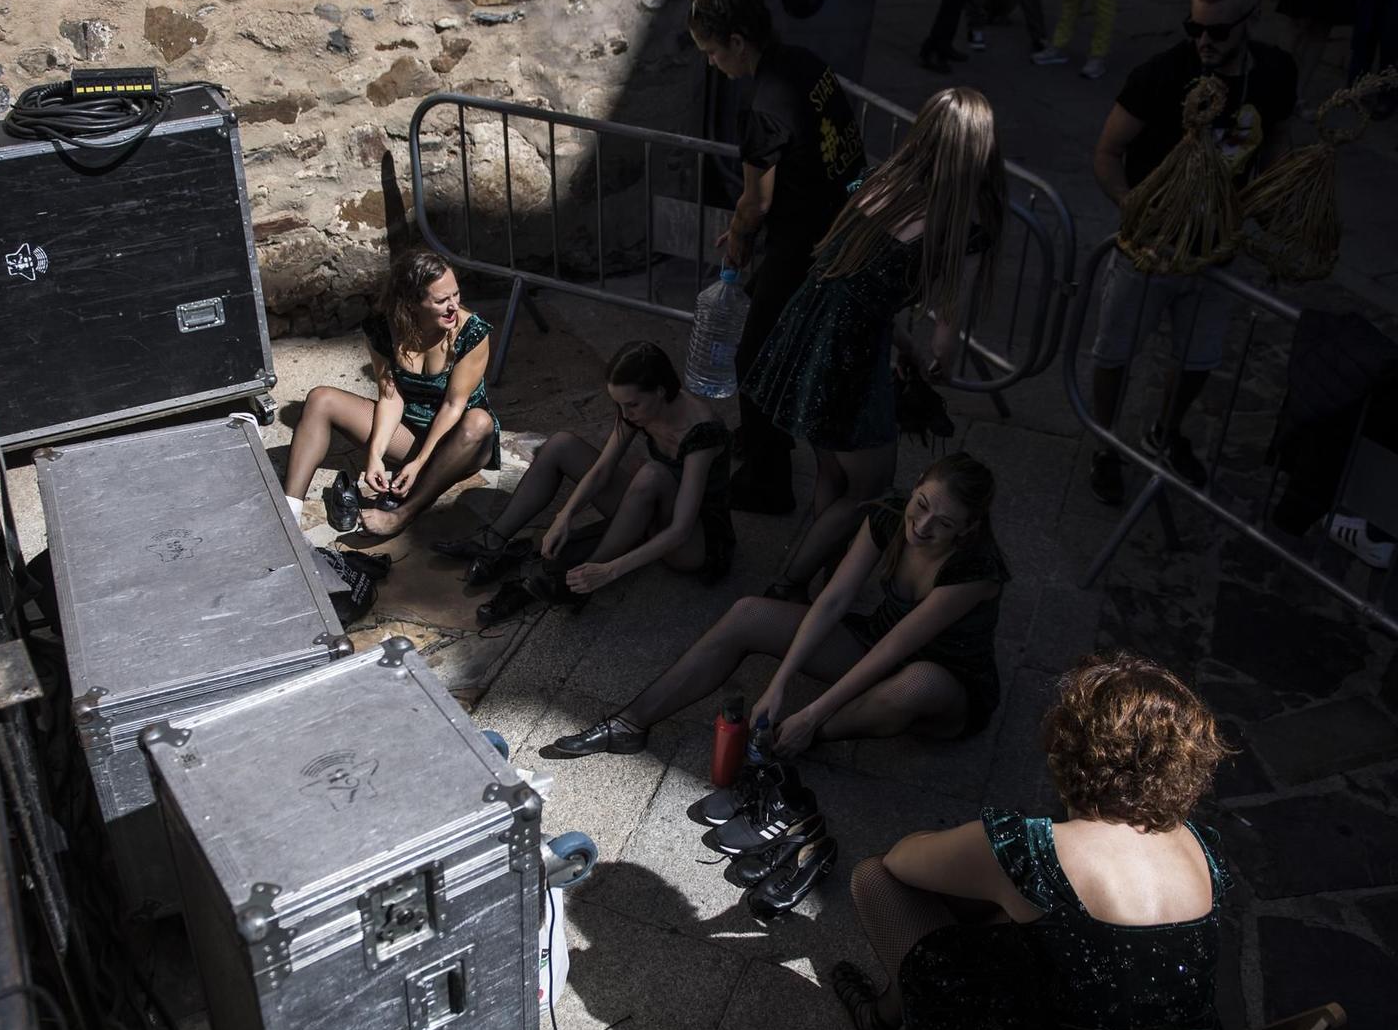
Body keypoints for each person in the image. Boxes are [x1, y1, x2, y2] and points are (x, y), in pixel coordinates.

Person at [829, 652, 1229, 1030]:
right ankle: (884, 1012)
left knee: (874, 879)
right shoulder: (1202, 846)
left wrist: (995, 853)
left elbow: (903, 863)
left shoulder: (1038, 851)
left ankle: (885, 1022)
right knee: (1032, 920)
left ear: (1069, 747)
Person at [550, 453, 1008, 760]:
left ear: (966, 530)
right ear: (916, 488)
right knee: (750, 612)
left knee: (913, 684)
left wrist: (810, 713)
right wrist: (780, 681)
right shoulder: (888, 516)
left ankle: (793, 741)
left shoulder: (975, 571)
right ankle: (632, 722)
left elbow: (895, 648)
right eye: (921, 504)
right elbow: (832, 602)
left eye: (942, 522)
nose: (923, 526)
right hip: (874, 643)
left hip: (945, 687)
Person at [743, 86, 1002, 600]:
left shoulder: (876, 186)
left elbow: (858, 292)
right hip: (849, 362)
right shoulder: (956, 225)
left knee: (832, 473)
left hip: (812, 336)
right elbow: (945, 327)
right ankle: (789, 585)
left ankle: (824, 577)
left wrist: (902, 344)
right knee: (871, 489)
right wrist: (931, 358)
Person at [1086, 0, 1298, 504]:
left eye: (1218, 31)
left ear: (1252, 20)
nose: (1203, 40)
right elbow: (1108, 154)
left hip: (1215, 254)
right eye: (1194, 27)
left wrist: (1266, 203)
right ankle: (1104, 445)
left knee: (1198, 360)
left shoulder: (1274, 72)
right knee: (1114, 352)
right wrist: (1130, 204)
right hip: (1149, 251)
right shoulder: (1160, 74)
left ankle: (1164, 430)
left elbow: (1276, 141)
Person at [687, 0, 865, 517]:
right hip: (839, 223)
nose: (712, 63)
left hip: (808, 242)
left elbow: (756, 201)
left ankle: (769, 480)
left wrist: (741, 233)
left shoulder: (762, 105)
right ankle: (767, 439)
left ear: (738, 41)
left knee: (754, 353)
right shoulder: (806, 64)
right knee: (771, 342)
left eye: (714, 52)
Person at [432, 341, 733, 618]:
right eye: (620, 404)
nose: (626, 413)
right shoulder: (638, 410)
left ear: (659, 390)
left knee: (652, 473)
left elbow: (680, 530)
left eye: (632, 404)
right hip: (654, 507)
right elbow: (602, 469)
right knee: (562, 444)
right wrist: (566, 514)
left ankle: (582, 581)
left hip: (695, 541)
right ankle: (493, 539)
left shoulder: (701, 431)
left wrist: (611, 571)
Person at [283, 248, 498, 539]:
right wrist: (375, 455)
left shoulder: (471, 331)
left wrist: (419, 462)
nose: (453, 307)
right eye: (441, 300)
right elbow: (389, 397)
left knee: (479, 421)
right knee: (321, 399)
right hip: (409, 433)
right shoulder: (383, 328)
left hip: (459, 441)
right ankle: (288, 512)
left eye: (455, 295)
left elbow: (453, 405)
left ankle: (403, 514)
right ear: (412, 302)